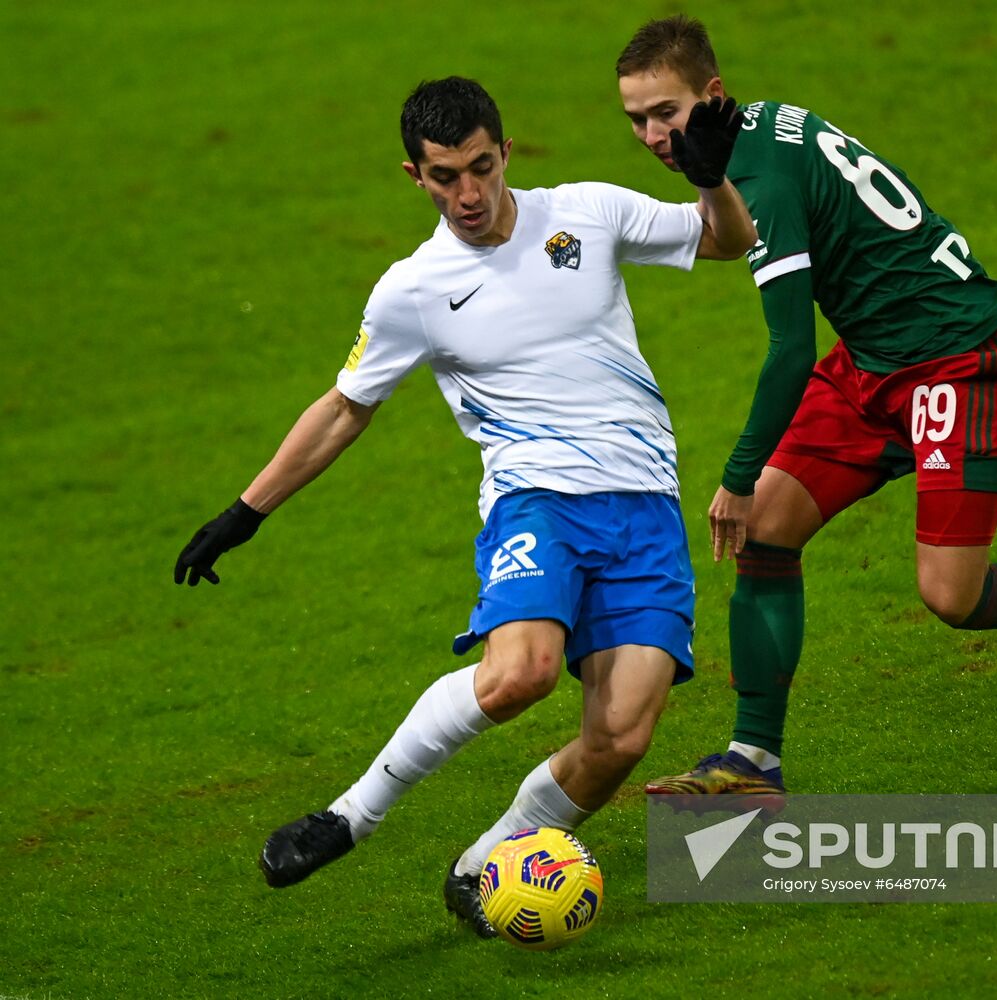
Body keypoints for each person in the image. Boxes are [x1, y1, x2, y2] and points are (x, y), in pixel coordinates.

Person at [173, 76, 755, 936]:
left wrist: (711, 178)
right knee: (519, 672)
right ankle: (349, 817)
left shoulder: (586, 213)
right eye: (445, 177)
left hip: (643, 507)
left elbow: (724, 241)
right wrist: (246, 510)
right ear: (415, 176)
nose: (469, 194)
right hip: (535, 500)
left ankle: (489, 864)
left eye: (481, 167)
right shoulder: (413, 288)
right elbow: (345, 407)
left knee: (622, 739)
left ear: (506, 152)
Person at [614, 17, 997, 805]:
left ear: (710, 95)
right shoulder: (760, 124)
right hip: (876, 362)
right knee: (766, 531)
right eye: (635, 119)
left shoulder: (762, 179)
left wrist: (737, 474)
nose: (650, 135)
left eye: (663, 114)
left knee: (950, 595)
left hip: (961, 366)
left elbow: (787, 353)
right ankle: (752, 760)